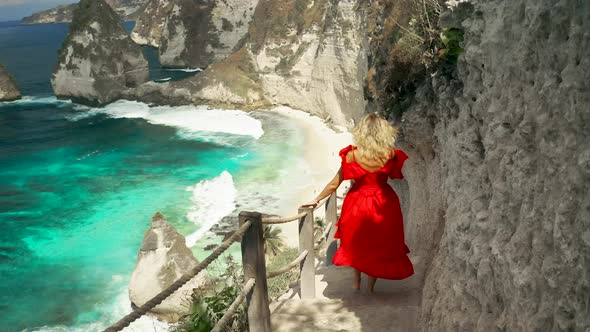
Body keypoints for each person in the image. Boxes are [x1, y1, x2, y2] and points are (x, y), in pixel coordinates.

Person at [301, 112, 414, 292]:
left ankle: (356, 281)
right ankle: (370, 287)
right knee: (377, 245)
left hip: (358, 202)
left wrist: (316, 200)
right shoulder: (390, 155)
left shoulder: (352, 155)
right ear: (385, 132)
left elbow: (334, 183)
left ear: (361, 132)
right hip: (384, 204)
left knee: (357, 244)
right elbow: (396, 175)